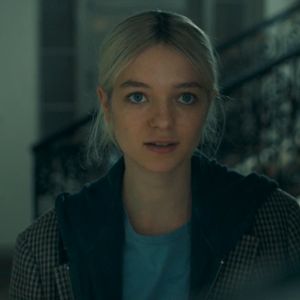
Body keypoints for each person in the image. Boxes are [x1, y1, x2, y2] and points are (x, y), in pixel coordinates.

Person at [10, 10, 300, 300]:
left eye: (185, 97)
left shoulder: (282, 223)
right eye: (138, 97)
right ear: (107, 106)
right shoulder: (43, 248)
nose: (163, 121)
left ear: (208, 106)